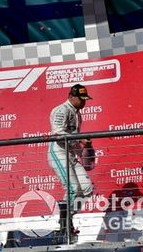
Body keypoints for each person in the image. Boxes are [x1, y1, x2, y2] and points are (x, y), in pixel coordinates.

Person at [47, 83, 95, 242]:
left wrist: (84, 146)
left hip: (71, 154)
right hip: (58, 152)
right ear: (71, 97)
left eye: (85, 99)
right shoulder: (61, 110)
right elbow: (57, 132)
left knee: (87, 188)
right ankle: (64, 225)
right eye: (81, 99)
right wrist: (80, 139)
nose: (84, 102)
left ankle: (65, 219)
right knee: (73, 189)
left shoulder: (77, 114)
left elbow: (74, 137)